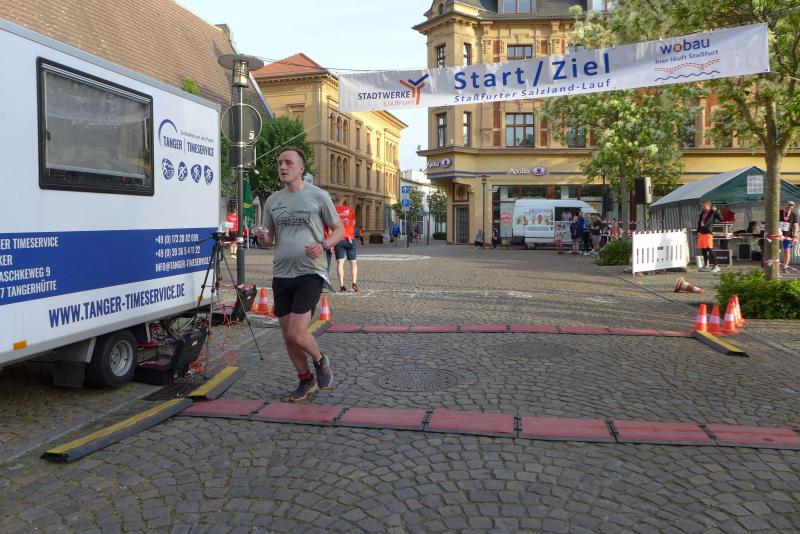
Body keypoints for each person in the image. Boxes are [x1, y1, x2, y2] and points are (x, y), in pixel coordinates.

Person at [255, 147, 344, 402]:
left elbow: (339, 230)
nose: (283, 167)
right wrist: (262, 237)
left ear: (301, 168)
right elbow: (268, 240)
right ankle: (305, 380)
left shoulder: (318, 195)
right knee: (288, 336)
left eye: (288, 163)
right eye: (280, 163)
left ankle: (320, 360)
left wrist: (324, 245)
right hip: (281, 273)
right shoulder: (273, 201)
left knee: (296, 333)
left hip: (310, 271)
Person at [333, 194, 359, 292]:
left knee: (340, 263)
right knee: (353, 262)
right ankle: (354, 283)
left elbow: (331, 226)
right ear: (343, 200)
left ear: (334, 200)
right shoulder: (350, 209)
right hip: (350, 239)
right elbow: (353, 223)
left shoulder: (333, 211)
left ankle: (342, 285)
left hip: (338, 239)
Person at [696, 200, 722, 272]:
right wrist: (698, 232)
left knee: (710, 249)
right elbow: (699, 223)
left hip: (708, 233)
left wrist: (716, 211)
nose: (703, 207)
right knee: (703, 250)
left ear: (708, 206)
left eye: (704, 206)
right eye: (702, 206)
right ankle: (706, 265)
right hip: (702, 233)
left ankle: (716, 266)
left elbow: (721, 218)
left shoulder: (712, 212)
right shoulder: (702, 213)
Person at [779, 200, 798, 274]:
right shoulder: (779, 212)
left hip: (788, 235)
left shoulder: (793, 214)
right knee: (777, 250)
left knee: (787, 251)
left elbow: (795, 225)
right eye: (789, 205)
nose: (790, 206)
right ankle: (772, 266)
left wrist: (795, 236)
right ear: (786, 205)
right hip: (778, 234)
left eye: (792, 205)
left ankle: (785, 267)